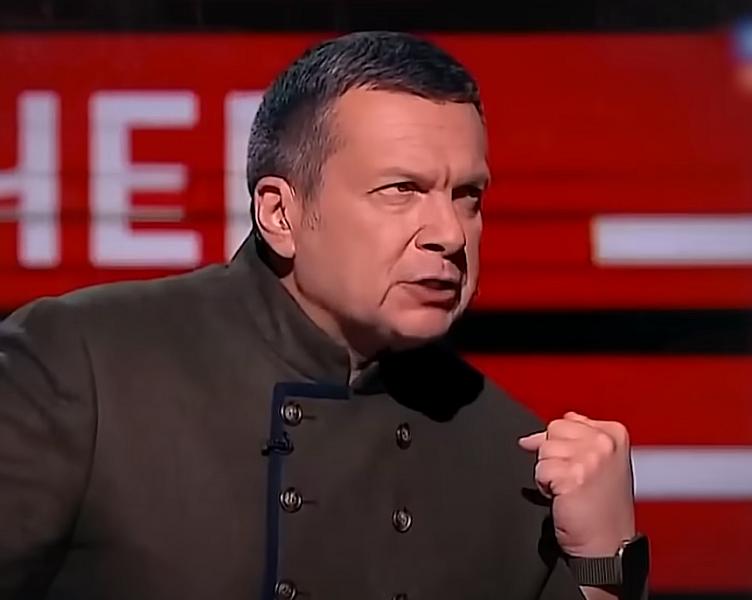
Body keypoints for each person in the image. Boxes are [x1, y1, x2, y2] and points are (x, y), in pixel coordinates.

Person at [0, 31, 648, 599]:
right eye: (402, 190)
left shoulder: (512, 452)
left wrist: (604, 559)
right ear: (280, 214)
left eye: (467, 196)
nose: (450, 233)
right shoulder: (83, 366)